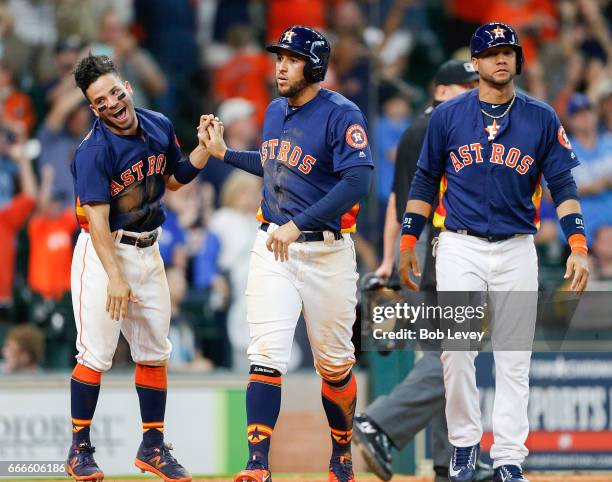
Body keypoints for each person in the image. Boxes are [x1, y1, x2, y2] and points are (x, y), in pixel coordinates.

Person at [398, 23, 589, 482]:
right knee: (456, 352)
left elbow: (561, 183)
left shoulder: (541, 117)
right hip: (459, 244)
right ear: (478, 64)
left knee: (513, 356)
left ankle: (507, 458)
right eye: (492, 52)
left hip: (517, 247)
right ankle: (464, 446)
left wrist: (578, 245)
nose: (502, 59)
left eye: (509, 52)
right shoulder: (448, 116)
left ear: (517, 61)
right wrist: (409, 240)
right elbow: (424, 180)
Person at [202, 25, 373, 482]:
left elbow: (358, 181)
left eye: (292, 59)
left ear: (313, 66)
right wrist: (224, 155)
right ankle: (257, 463)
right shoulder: (276, 110)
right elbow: (273, 160)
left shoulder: (342, 113)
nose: (280, 65)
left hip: (326, 253)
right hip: (273, 247)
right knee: (266, 352)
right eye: (279, 57)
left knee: (335, 364)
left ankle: (340, 452)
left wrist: (299, 223)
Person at [66, 53, 213, 482]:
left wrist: (205, 149)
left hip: (149, 249)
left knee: (154, 351)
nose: (111, 102)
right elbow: (95, 221)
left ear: (126, 86)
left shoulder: (158, 124)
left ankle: (152, 447)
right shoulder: (94, 151)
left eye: (114, 91)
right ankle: (79, 449)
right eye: (100, 100)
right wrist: (114, 277)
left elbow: (173, 178)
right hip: (104, 251)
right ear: (93, 109)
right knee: (95, 354)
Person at [353, 60, 494, 482]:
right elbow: (406, 200)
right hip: (441, 253)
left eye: (476, 83)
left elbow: (400, 199)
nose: (474, 90)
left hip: (430, 254)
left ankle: (449, 462)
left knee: (446, 356)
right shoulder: (436, 127)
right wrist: (394, 257)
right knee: (457, 353)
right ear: (441, 90)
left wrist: (390, 258)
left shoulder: (431, 128)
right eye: (465, 84)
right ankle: (379, 422)